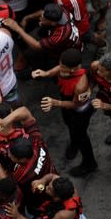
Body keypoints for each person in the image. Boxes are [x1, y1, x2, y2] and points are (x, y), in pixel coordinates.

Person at [34, 48, 97, 177]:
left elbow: (76, 104)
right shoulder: (65, 68)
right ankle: (74, 143)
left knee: (82, 136)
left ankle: (89, 163)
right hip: (66, 102)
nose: (60, 67)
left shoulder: (81, 85)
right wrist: (46, 73)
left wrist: (55, 103)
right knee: (69, 124)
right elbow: (58, 69)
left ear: (72, 69)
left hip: (80, 110)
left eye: (63, 67)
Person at [3, 5, 82, 73]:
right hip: (53, 32)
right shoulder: (60, 11)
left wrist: (17, 29)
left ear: (53, 23)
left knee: (38, 57)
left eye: (43, 19)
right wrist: (26, 18)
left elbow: (37, 46)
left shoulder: (60, 35)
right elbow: (42, 12)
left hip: (64, 51)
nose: (40, 18)